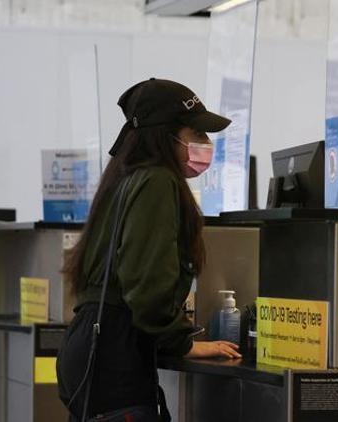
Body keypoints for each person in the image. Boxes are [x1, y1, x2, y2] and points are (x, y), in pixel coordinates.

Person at [57, 78, 241, 421]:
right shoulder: (157, 181)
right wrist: (181, 342)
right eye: (197, 134)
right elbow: (147, 280)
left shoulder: (125, 178)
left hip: (92, 344)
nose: (205, 144)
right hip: (115, 354)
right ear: (165, 136)